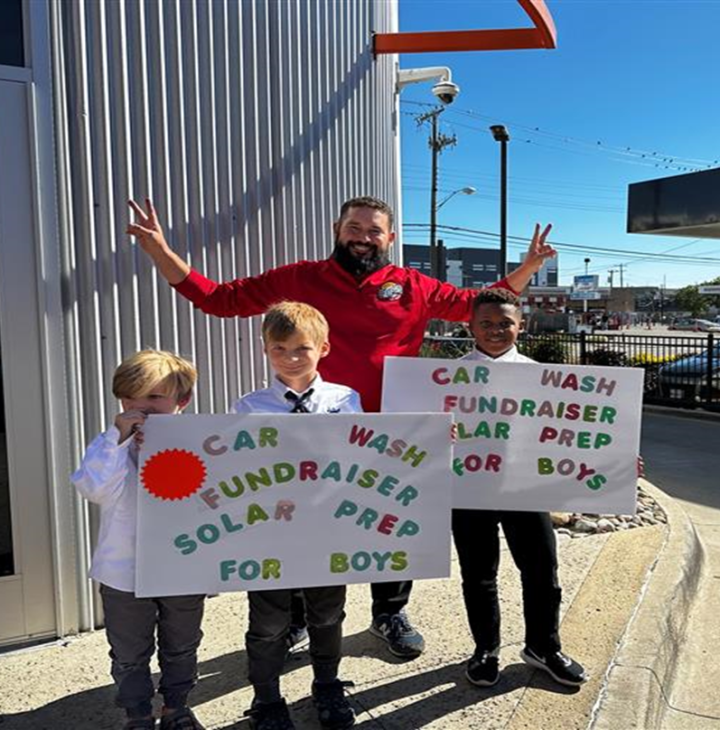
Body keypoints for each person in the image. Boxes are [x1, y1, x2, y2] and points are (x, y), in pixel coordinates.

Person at [126, 194, 556, 659]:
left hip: (394, 434)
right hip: (313, 430)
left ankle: (389, 611)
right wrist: (159, 251)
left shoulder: (414, 286)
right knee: (299, 519)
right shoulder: (300, 279)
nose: (364, 238)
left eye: (374, 230)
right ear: (338, 230)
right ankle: (296, 617)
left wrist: (529, 266)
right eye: (355, 228)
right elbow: (219, 299)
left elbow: (481, 305)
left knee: (393, 523)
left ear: (390, 238)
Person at [452, 288, 588, 688]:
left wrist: (613, 462)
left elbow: (573, 434)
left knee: (542, 569)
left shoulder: (541, 376)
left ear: (521, 326)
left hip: (525, 487)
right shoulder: (446, 378)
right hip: (470, 488)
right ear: (470, 326)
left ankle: (544, 647)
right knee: (478, 573)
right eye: (487, 323)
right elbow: (423, 437)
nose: (496, 330)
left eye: (505, 323)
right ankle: (486, 649)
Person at [234, 302, 360, 730]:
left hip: (327, 529)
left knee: (326, 613)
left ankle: (327, 685)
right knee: (269, 622)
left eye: (301, 348)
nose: (290, 357)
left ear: (323, 348)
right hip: (270, 532)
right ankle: (267, 699)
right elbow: (236, 467)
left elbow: (367, 455)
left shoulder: (345, 400)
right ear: (265, 349)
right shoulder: (249, 407)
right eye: (279, 348)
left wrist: (438, 437)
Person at [71, 350, 206, 730]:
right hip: (123, 569)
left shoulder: (202, 442)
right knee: (129, 650)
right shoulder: (109, 444)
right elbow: (93, 489)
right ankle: (138, 714)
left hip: (183, 567)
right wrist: (120, 440)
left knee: (182, 642)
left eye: (153, 398)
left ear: (182, 401)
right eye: (130, 397)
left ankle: (176, 707)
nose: (139, 407)